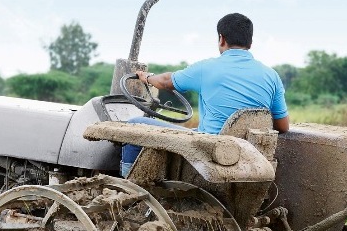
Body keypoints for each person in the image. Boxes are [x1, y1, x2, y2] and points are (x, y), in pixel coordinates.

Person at [121, 12, 290, 176]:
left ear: (221, 39)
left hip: (211, 150)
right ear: (250, 42)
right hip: (250, 155)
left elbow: (165, 81)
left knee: (135, 124)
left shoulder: (206, 68)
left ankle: (127, 184)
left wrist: (147, 77)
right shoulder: (272, 76)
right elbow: (283, 126)